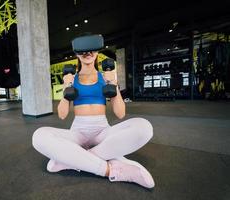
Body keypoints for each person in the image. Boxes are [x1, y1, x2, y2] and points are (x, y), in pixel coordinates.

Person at [32, 35, 155, 188]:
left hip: (102, 131)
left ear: (97, 52)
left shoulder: (106, 77)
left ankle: (72, 160)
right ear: (77, 53)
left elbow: (120, 114)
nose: (88, 53)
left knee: (144, 127)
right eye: (83, 51)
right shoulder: (72, 79)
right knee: (39, 136)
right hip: (78, 132)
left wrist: (114, 84)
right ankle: (110, 169)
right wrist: (66, 88)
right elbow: (62, 115)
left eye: (92, 50)